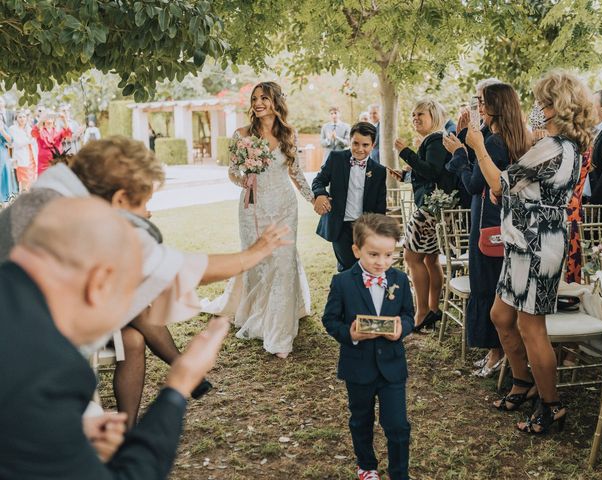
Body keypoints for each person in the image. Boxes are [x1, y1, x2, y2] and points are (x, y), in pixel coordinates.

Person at [0, 136, 291, 428]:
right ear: (119, 200)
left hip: (33, 336)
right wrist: (255, 252)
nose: (147, 212)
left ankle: (126, 428)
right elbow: (183, 271)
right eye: (144, 202)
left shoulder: (52, 189)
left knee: (132, 338)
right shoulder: (89, 227)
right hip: (28, 365)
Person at [0, 196, 231, 479]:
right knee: (135, 323)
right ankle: (180, 367)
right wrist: (178, 386)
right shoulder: (55, 376)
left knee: (133, 338)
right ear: (97, 282)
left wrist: (76, 430)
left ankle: (131, 425)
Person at [466, 71, 596, 434]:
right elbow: (519, 184)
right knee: (501, 316)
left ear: (557, 107)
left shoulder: (554, 147)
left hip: (538, 245)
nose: (537, 107)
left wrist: (476, 145)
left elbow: (499, 180)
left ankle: (551, 404)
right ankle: (522, 382)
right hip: (523, 241)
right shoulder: (565, 146)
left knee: (530, 325)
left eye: (542, 102)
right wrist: (507, 190)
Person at [203, 81, 314, 359]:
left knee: (284, 263)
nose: (258, 103)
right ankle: (258, 314)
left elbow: (296, 173)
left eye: (264, 97)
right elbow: (232, 172)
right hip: (253, 208)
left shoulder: (289, 133)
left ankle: (279, 333)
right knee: (257, 262)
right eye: (254, 99)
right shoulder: (241, 134)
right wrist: (245, 179)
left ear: (276, 101)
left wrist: (314, 199)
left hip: (285, 207)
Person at [443, 83, 530, 377]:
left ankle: (496, 354)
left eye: (482, 102)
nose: (479, 107)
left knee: (486, 288)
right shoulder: (517, 138)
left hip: (487, 223)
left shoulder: (493, 142)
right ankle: (500, 354)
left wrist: (459, 155)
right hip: (506, 223)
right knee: (499, 290)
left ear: (495, 107)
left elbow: (473, 185)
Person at [322, 214, 414, 480]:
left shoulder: (399, 279)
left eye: (388, 255)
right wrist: (349, 333)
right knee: (360, 420)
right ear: (356, 250)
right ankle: (366, 466)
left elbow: (409, 314)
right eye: (373, 254)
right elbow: (329, 319)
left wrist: (402, 328)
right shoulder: (342, 282)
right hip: (358, 367)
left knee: (398, 425)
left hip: (392, 369)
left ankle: (399, 473)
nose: (381, 262)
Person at [393, 99, 453, 331]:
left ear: (434, 117)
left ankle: (421, 313)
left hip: (429, 211)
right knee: (430, 259)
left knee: (412, 258)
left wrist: (405, 152)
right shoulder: (436, 139)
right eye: (413, 115)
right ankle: (432, 310)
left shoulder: (436, 139)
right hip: (435, 209)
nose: (415, 118)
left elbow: (431, 171)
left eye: (421, 115)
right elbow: (430, 174)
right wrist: (406, 175)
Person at [312, 122, 387, 272]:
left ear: (373, 145)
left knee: (365, 268)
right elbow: (319, 180)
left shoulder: (379, 171)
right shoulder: (336, 158)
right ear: (350, 141)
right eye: (356, 143)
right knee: (348, 268)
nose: (360, 149)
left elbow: (380, 205)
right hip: (341, 225)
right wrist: (321, 194)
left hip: (365, 227)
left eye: (365, 145)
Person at [32, 110, 72, 175]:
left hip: (56, 162)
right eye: (47, 117)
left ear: (54, 120)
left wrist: (64, 119)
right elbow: (34, 132)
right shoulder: (40, 131)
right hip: (43, 164)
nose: (49, 119)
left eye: (51, 117)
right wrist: (42, 119)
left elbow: (68, 133)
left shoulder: (58, 131)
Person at [9, 110, 37, 192]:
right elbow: (16, 144)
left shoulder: (29, 129)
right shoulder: (12, 129)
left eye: (24, 116)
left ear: (27, 118)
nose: (22, 119)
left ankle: (30, 199)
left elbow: (34, 141)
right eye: (20, 117)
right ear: (16, 118)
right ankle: (23, 198)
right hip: (22, 158)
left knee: (32, 181)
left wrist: (31, 139)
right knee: (24, 181)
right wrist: (29, 139)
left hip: (32, 157)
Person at [0, 111, 17, 203]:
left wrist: (2, 130)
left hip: (2, 153)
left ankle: (4, 199)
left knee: (3, 173)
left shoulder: (3, 127)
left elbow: (10, 141)